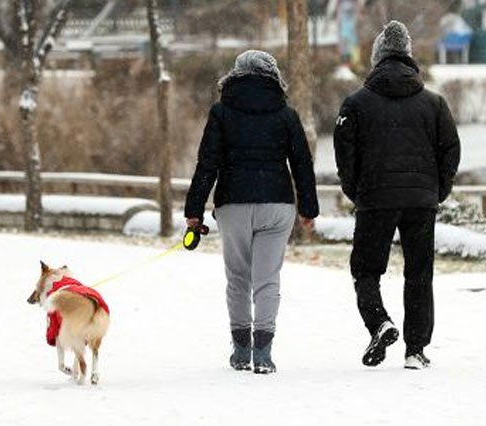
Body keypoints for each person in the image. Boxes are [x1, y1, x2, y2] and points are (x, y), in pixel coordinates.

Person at [333, 21, 461, 370]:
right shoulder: (433, 104)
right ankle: (415, 350)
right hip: (421, 200)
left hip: (375, 198)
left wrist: (355, 190)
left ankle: (379, 322)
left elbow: (344, 153)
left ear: (376, 59)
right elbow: (450, 149)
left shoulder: (356, 104)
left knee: (366, 270)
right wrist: (437, 190)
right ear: (409, 56)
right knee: (419, 273)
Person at [184, 50, 319, 374]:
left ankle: (241, 349)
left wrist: (194, 211)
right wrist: (309, 208)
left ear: (235, 76)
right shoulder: (286, 114)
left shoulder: (221, 112)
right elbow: (302, 162)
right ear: (273, 77)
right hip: (277, 203)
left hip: (233, 204)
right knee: (267, 280)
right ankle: (264, 352)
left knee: (238, 279)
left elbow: (208, 163)